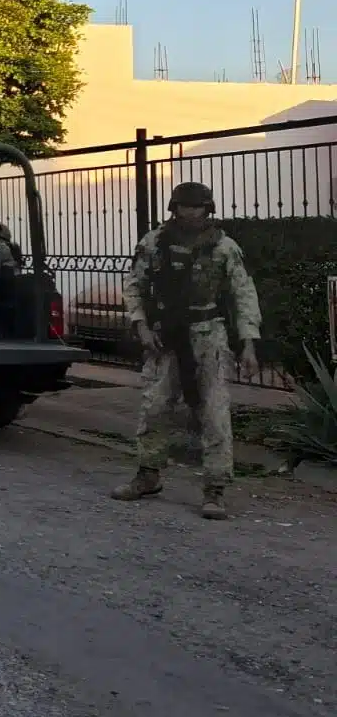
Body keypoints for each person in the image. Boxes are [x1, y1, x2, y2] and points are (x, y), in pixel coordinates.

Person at [114, 181, 261, 520]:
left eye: (198, 207)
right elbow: (134, 285)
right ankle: (148, 475)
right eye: (185, 206)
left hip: (209, 334)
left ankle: (215, 488)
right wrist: (142, 326)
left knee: (214, 412)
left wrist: (249, 343)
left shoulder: (223, 247)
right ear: (174, 208)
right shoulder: (154, 243)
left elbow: (243, 294)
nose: (192, 212)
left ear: (208, 209)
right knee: (155, 407)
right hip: (166, 333)